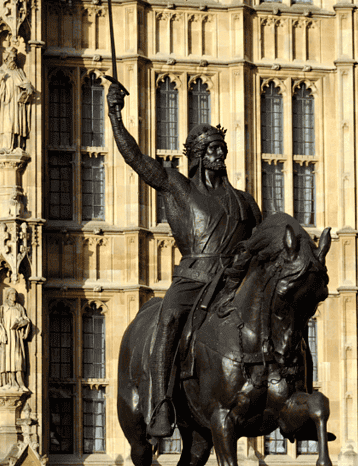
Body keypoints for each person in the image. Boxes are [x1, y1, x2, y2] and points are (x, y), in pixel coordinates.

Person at [106, 81, 262, 437]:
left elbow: (261, 241)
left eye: (221, 149)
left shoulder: (243, 201)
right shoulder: (179, 188)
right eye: (211, 150)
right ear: (197, 156)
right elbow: (136, 160)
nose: (218, 155)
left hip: (232, 283)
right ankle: (160, 403)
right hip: (194, 278)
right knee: (169, 318)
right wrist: (116, 115)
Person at [0, 46, 35, 153]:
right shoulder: (1, 70)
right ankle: (5, 146)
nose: (12, 60)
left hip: (17, 102)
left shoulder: (19, 71)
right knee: (7, 123)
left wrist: (28, 88)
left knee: (17, 123)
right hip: (6, 102)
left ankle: (18, 145)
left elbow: (25, 82)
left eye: (14, 58)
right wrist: (0, 79)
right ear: (6, 59)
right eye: (10, 58)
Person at [0, 288, 30, 390]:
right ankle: (8, 381)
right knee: (6, 358)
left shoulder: (19, 308)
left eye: (15, 294)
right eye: (12, 294)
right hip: (7, 338)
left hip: (16, 337)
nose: (14, 295)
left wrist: (23, 323)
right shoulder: (2, 308)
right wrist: (2, 331)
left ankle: (20, 381)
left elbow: (26, 320)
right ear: (8, 295)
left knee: (18, 358)